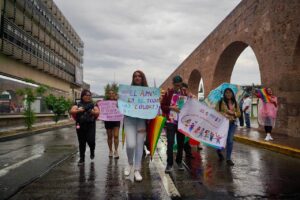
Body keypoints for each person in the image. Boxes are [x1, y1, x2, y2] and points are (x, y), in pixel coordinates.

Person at [123, 70, 148, 182]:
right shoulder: (127, 91)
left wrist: (157, 102)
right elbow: (122, 104)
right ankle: (129, 163)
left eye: (139, 76)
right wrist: (118, 103)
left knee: (139, 145)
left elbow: (152, 107)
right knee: (130, 144)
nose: (137, 78)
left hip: (141, 121)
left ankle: (137, 169)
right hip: (129, 120)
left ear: (142, 78)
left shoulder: (148, 92)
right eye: (135, 76)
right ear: (133, 78)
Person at [161, 75, 186, 173]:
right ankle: (169, 164)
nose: (177, 87)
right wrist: (171, 108)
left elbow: (189, 105)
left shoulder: (184, 93)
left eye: (179, 85)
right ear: (173, 84)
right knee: (170, 143)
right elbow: (163, 106)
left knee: (180, 143)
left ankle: (179, 161)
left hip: (181, 122)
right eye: (176, 85)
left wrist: (192, 98)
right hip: (170, 122)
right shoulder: (168, 93)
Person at [70, 89, 100, 165]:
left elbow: (97, 112)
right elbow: (72, 111)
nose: (88, 97)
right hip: (80, 125)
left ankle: (92, 151)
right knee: (82, 142)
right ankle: (82, 159)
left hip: (91, 125)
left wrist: (92, 112)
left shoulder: (93, 104)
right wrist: (79, 110)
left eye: (89, 95)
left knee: (91, 141)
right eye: (86, 95)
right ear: (82, 96)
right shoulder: (77, 104)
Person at [216, 88, 241, 166]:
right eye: (226, 93)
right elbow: (216, 112)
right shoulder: (220, 102)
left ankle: (228, 158)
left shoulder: (235, 103)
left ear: (232, 94)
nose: (228, 94)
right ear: (224, 94)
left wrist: (233, 113)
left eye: (230, 93)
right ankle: (218, 150)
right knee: (221, 140)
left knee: (230, 140)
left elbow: (239, 113)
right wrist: (225, 114)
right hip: (223, 124)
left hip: (232, 124)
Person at [104, 90, 121, 159]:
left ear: (115, 94)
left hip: (116, 120)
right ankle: (110, 150)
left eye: (112, 93)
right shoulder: (105, 102)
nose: (111, 94)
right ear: (108, 94)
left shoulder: (118, 102)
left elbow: (123, 108)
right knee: (109, 136)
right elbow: (102, 110)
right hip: (108, 120)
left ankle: (116, 151)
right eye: (110, 93)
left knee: (116, 136)